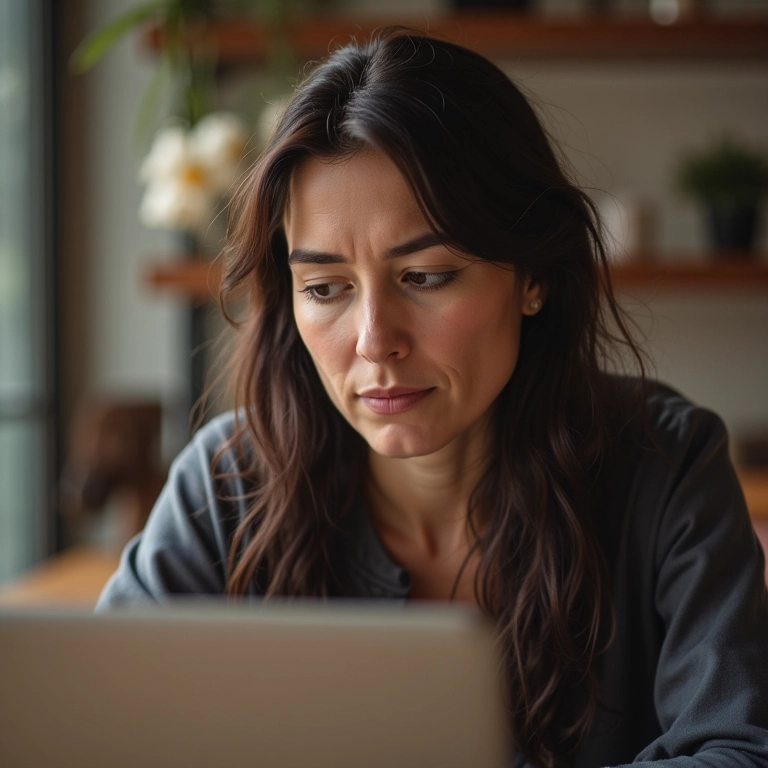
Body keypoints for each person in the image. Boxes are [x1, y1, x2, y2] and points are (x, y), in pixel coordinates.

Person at [96, 28, 768, 768]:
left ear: (533, 276)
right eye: (325, 289)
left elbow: (736, 752)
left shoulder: (665, 468)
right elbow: (93, 734)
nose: (374, 340)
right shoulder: (225, 487)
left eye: (426, 276)